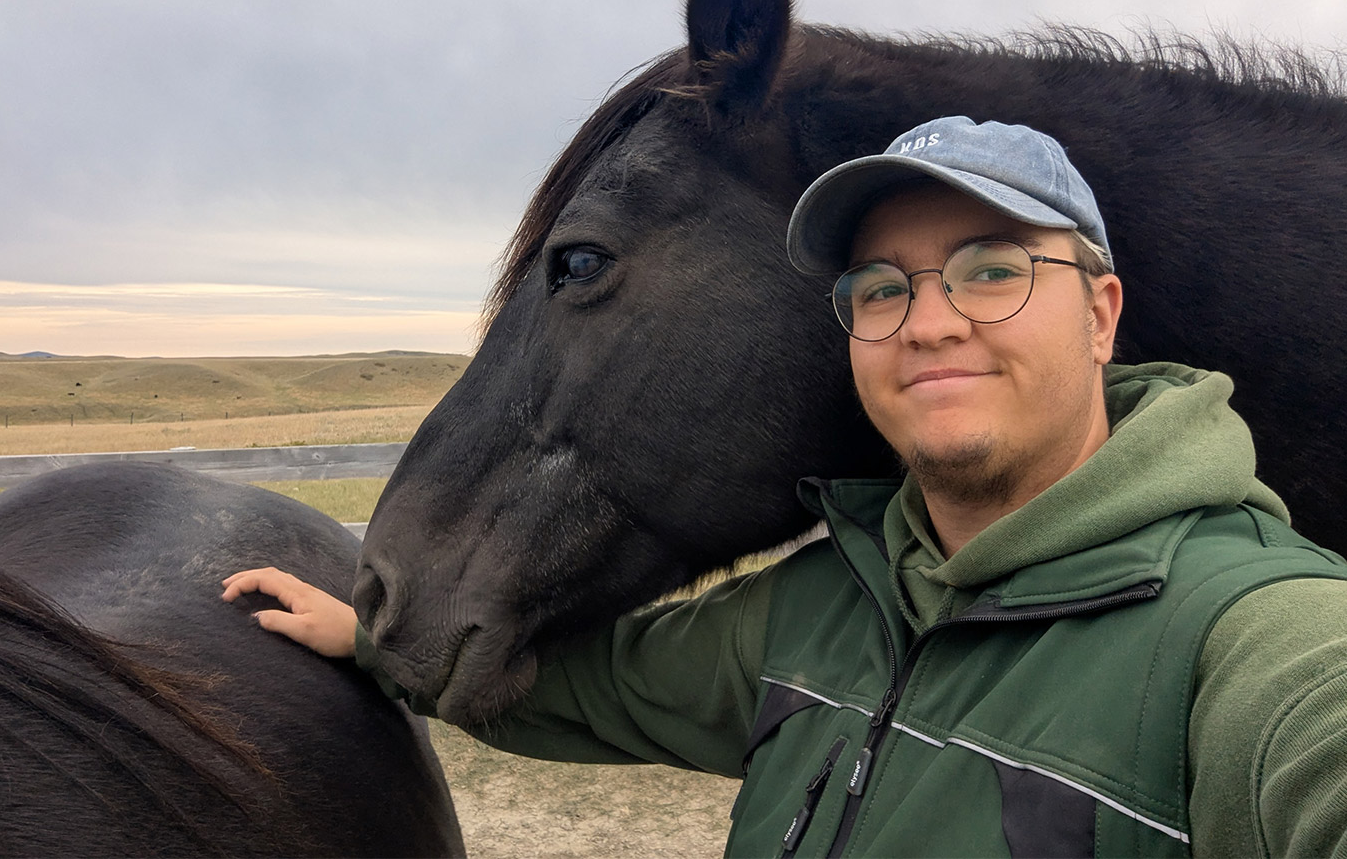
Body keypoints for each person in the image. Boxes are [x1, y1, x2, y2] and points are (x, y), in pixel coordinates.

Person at [223, 116, 1347, 857]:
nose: (933, 320)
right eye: (879, 288)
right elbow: (588, 688)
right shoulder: (824, 610)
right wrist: (366, 637)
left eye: (994, 270)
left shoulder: (1253, 635)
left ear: (1101, 315)